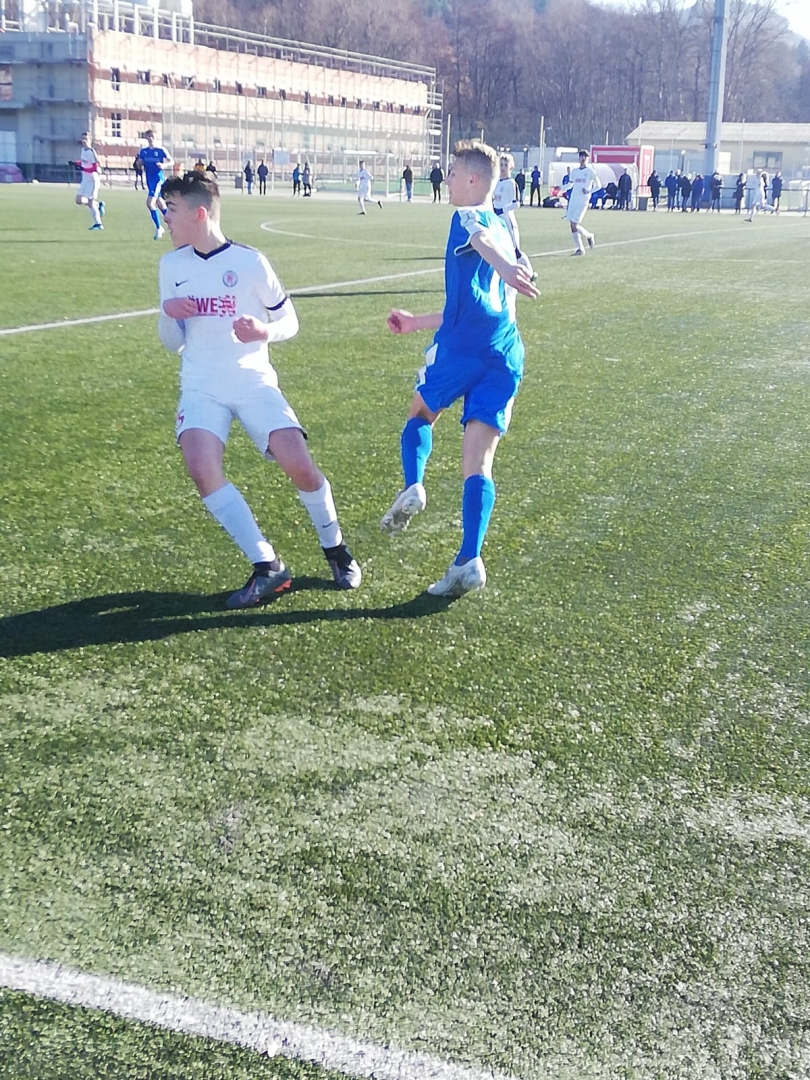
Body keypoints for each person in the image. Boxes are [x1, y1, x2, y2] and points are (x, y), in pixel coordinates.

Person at [157, 171, 361, 607]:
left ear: (199, 214)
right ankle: (267, 565)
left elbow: (290, 321)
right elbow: (173, 343)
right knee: (201, 469)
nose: (165, 218)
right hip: (201, 385)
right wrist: (168, 314)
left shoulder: (250, 263)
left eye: (171, 209)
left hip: (252, 380)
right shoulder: (171, 266)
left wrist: (264, 332)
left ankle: (336, 549)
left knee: (299, 465)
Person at [380, 141, 539, 597]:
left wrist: (504, 266)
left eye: (452, 173)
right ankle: (469, 559)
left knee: (420, 414)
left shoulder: (469, 218)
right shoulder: (507, 227)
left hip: (463, 348)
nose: (446, 179)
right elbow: (478, 303)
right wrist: (417, 322)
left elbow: (479, 239)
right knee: (479, 462)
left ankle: (413, 485)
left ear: (473, 180)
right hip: (505, 352)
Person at [493, 152, 534, 279]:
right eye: (501, 164)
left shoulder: (511, 183)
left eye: (506, 165)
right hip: (496, 220)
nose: (503, 167)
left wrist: (502, 210)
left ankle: (530, 274)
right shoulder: (496, 182)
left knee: (515, 251)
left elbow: (517, 203)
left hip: (507, 221)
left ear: (511, 167)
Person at [137, 129, 173, 240]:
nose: (150, 138)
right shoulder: (143, 151)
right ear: (146, 137)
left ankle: (159, 228)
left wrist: (164, 165)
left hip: (158, 180)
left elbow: (171, 161)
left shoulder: (161, 150)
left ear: (155, 137)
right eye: (148, 136)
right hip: (149, 180)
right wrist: (139, 163)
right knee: (160, 204)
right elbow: (139, 164)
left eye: (152, 136)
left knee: (150, 203)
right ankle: (174, 223)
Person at [565, 149, 599, 255]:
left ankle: (587, 239)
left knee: (575, 224)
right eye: (581, 156)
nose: (583, 158)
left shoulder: (590, 172)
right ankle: (581, 246)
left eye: (585, 156)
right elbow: (570, 184)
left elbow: (599, 186)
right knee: (572, 225)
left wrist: (588, 191)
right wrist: (562, 188)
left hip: (582, 201)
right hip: (573, 200)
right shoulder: (575, 171)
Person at [75, 131, 105, 231]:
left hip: (92, 180)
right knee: (78, 200)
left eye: (86, 139)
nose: (84, 141)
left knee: (90, 202)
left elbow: (94, 168)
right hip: (85, 179)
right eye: (82, 139)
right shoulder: (83, 150)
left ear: (90, 140)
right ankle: (98, 205)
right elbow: (84, 162)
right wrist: (76, 163)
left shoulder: (91, 152)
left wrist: (83, 168)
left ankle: (98, 224)